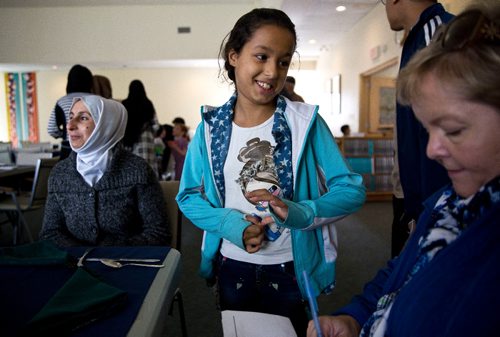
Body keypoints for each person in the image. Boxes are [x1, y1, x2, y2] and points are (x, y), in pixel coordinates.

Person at [308, 3, 500, 336]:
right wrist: (354, 317)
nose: (431, 150)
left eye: (453, 130)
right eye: (429, 130)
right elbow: (400, 273)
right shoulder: (446, 201)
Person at [176, 8, 366, 336]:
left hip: (291, 266)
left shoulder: (304, 123)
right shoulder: (210, 129)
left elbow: (351, 189)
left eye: (283, 61)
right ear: (234, 56)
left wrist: (300, 211)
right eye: (261, 56)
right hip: (232, 264)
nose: (272, 71)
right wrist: (230, 225)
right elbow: (189, 196)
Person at [40, 95, 170, 247]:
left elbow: (159, 233)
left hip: (125, 263)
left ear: (106, 125)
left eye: (83, 118)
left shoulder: (137, 170)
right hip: (73, 263)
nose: (69, 126)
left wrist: (110, 253)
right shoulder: (60, 173)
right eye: (70, 117)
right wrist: (81, 256)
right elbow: (50, 232)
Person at [384, 0, 454, 256]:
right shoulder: (416, 37)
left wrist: (425, 213)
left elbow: (437, 137)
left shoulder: (435, 35)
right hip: (415, 199)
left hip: (430, 203)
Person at [47, 64, 93, 159]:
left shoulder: (62, 101)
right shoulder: (95, 100)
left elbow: (51, 129)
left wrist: (65, 133)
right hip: (91, 146)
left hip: (68, 147)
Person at [122, 79, 159, 176]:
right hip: (146, 141)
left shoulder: (125, 104)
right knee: (147, 172)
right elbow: (156, 125)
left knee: (131, 171)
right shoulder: (147, 103)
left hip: (128, 142)